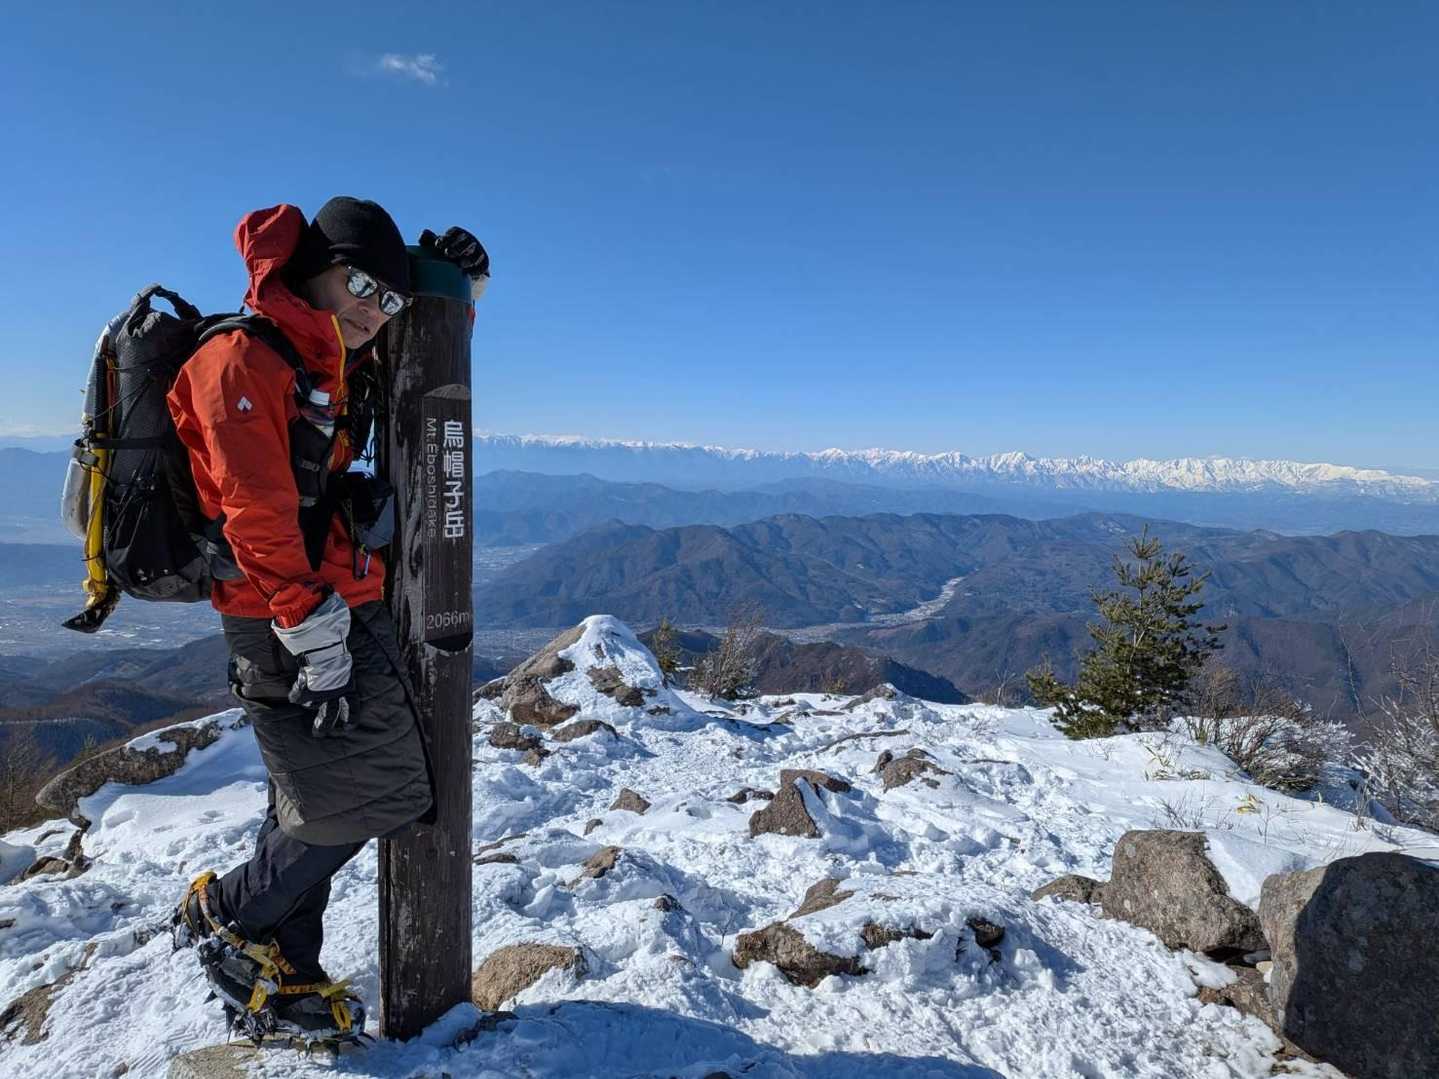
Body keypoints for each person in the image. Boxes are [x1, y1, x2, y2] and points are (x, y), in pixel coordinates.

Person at [166, 197, 489, 1044]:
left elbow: (406, 364)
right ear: (315, 266)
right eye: (361, 286)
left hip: (335, 601)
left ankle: (284, 967)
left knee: (313, 797)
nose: (374, 310)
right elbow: (257, 515)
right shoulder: (242, 358)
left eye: (389, 298)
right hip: (286, 617)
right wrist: (314, 636)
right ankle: (229, 914)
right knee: (377, 790)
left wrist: (459, 292)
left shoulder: (324, 353)